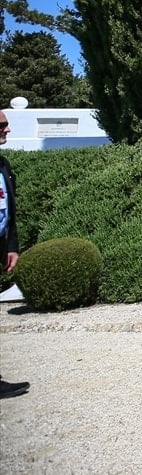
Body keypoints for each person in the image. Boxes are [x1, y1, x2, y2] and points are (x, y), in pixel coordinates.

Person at [0, 111, 30, 400]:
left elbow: (9, 211)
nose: (7, 129)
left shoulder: (3, 165)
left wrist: (11, 247)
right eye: (1, 125)